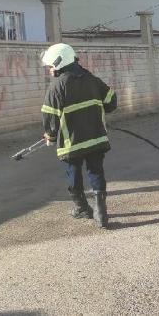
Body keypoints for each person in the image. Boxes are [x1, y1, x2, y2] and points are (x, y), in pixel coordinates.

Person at [40, 43, 117, 229]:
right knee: (96, 171)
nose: (49, 70)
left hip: (71, 143)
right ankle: (101, 214)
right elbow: (111, 102)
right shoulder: (92, 79)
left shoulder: (56, 87)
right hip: (96, 138)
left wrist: (50, 136)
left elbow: (50, 117)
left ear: (59, 63)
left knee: (73, 175)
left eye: (50, 66)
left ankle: (82, 208)